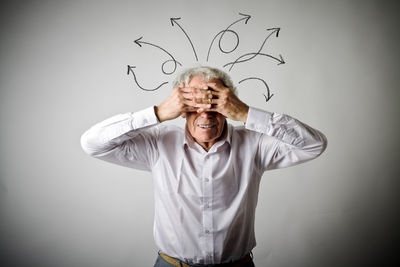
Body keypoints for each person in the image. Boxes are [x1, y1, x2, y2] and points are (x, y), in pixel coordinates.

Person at [80, 66, 327, 267]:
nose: (206, 114)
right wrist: (158, 112)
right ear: (181, 109)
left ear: (228, 105)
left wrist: (246, 114)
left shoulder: (254, 144)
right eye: (195, 104)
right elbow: (92, 144)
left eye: (215, 103)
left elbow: (314, 145)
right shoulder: (158, 144)